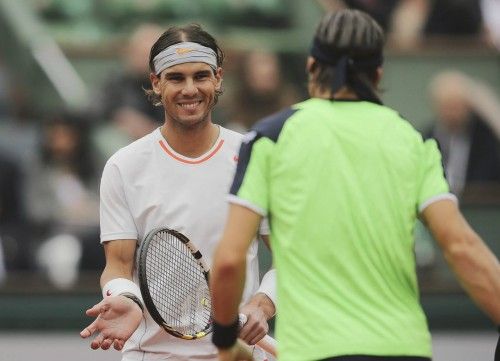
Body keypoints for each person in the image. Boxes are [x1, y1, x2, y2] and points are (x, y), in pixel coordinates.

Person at [210, 9, 500, 361]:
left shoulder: (269, 138)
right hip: (402, 349)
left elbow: (229, 260)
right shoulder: (410, 139)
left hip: (313, 351)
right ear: (377, 73)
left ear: (312, 65)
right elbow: (461, 246)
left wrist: (226, 343)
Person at [79, 24, 276, 360]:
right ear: (156, 82)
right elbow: (118, 264)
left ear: (218, 79)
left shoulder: (256, 159)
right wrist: (125, 297)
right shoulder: (123, 167)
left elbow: (290, 257)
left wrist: (263, 303)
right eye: (176, 78)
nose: (190, 89)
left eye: (200, 76)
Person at [425, 70, 500, 196]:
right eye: (448, 107)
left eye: (457, 107)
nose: (453, 114)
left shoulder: (485, 143)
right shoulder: (425, 139)